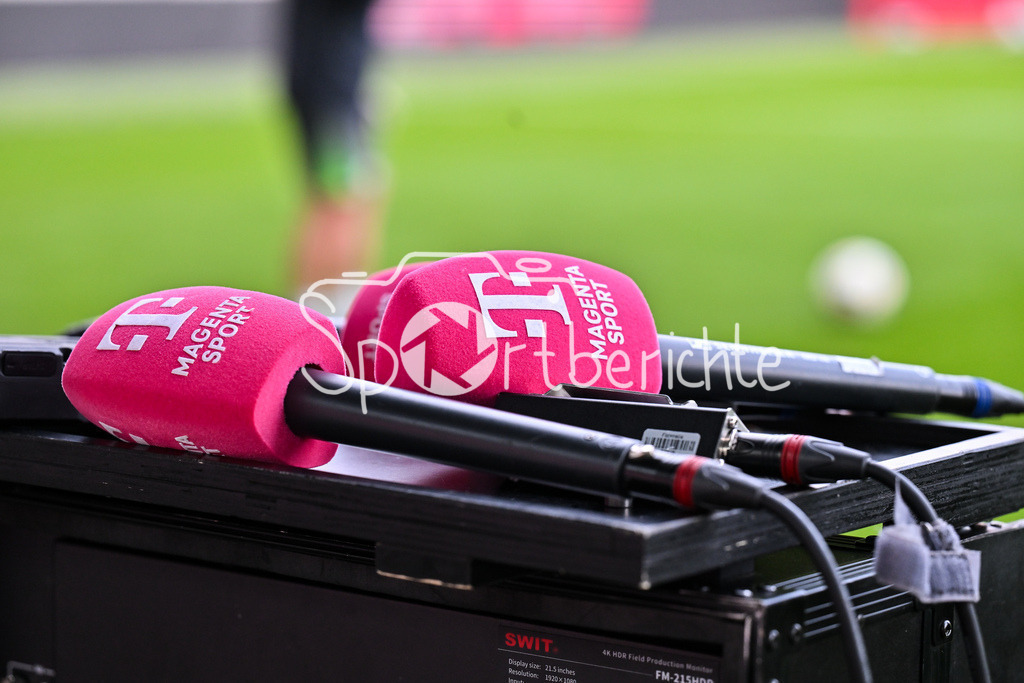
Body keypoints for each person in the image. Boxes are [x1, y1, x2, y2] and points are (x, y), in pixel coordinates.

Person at [284, 0, 384, 305]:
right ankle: (323, 310)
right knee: (340, 201)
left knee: (347, 196)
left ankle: (331, 303)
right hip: (332, 100)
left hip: (333, 95)